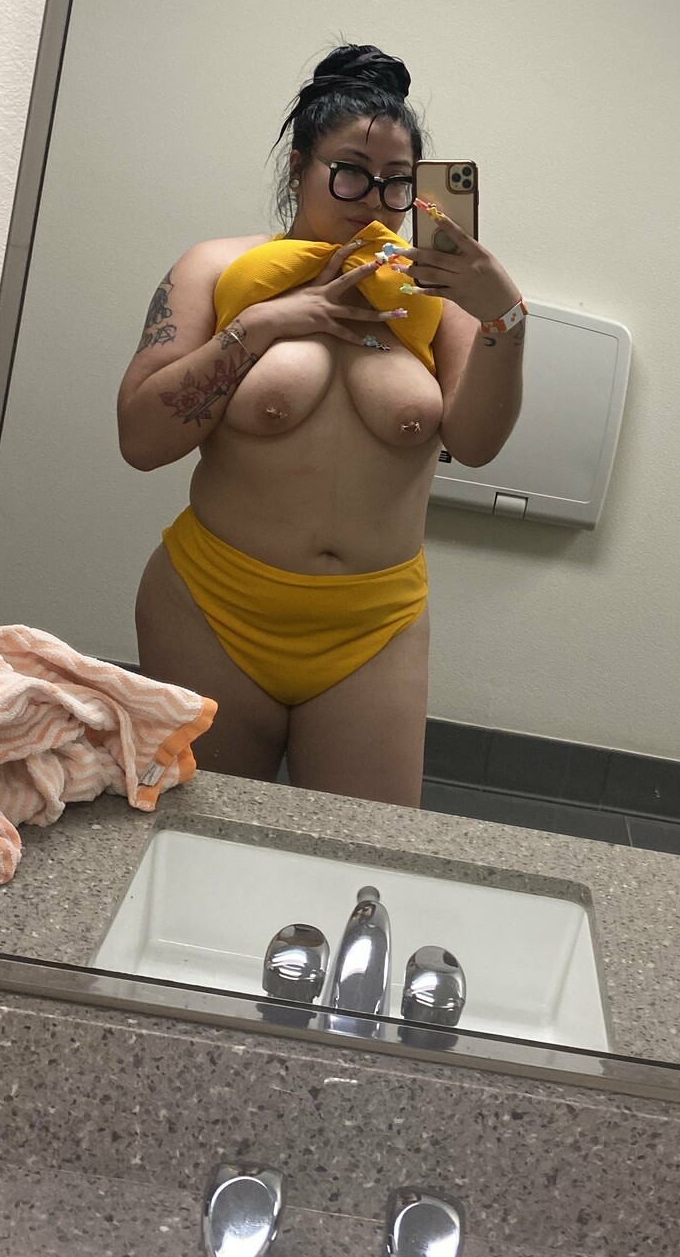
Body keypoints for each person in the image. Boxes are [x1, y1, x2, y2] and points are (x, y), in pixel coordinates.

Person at [117, 44, 526, 806]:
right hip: (212, 606)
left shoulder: (435, 298)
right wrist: (264, 326)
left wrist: (505, 317)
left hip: (375, 625)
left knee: (362, 853)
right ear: (299, 167)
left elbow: (477, 445)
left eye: (397, 181)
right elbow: (141, 440)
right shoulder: (216, 268)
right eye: (350, 171)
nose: (373, 199)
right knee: (195, 841)